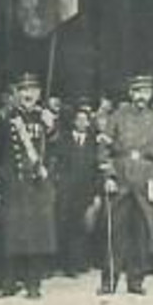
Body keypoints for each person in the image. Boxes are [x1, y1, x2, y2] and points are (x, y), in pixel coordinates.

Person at [0, 73, 58, 299]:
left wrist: (52, 129)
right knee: (11, 235)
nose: (28, 95)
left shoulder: (45, 119)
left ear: (39, 94)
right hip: (13, 185)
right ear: (17, 94)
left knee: (37, 236)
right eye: (23, 90)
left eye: (33, 90)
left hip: (37, 186)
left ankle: (33, 283)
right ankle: (9, 282)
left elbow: (58, 152)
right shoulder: (5, 119)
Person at [102, 73, 153, 295]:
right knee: (116, 231)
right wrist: (109, 176)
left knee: (142, 232)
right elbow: (103, 150)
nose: (142, 96)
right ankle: (109, 281)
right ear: (130, 93)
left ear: (151, 94)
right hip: (121, 176)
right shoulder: (116, 117)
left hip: (146, 178)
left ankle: (136, 280)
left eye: (146, 92)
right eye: (137, 91)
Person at [53, 101, 101, 276]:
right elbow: (57, 164)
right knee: (64, 225)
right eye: (79, 119)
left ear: (89, 122)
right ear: (74, 122)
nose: (82, 123)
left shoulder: (94, 143)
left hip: (85, 190)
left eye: (85, 120)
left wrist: (96, 192)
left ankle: (79, 263)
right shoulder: (64, 140)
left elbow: (97, 168)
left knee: (82, 227)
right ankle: (64, 264)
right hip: (66, 191)